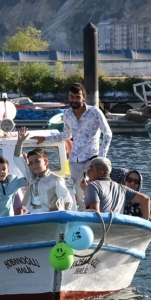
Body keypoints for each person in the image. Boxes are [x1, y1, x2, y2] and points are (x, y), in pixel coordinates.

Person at [32, 83, 112, 211]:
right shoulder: (67, 114)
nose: (73, 100)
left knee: (94, 189)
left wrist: (101, 157)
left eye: (77, 97)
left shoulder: (94, 112)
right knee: (79, 193)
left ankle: (99, 214)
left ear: (83, 97)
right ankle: (82, 215)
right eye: (71, 97)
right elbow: (66, 135)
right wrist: (45, 139)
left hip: (92, 158)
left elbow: (108, 133)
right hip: (74, 161)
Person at [13, 126, 73, 213]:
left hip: (50, 216)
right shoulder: (31, 176)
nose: (33, 165)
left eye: (37, 161)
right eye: (31, 163)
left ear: (46, 161)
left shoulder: (56, 179)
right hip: (33, 215)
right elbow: (17, 158)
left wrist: (66, 215)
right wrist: (20, 142)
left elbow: (67, 199)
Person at [82, 157, 151, 218]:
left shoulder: (93, 186)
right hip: (118, 229)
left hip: (102, 230)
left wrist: (85, 190)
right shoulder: (123, 189)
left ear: (100, 172)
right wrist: (146, 226)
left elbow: (94, 216)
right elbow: (146, 199)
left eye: (91, 168)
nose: (88, 172)